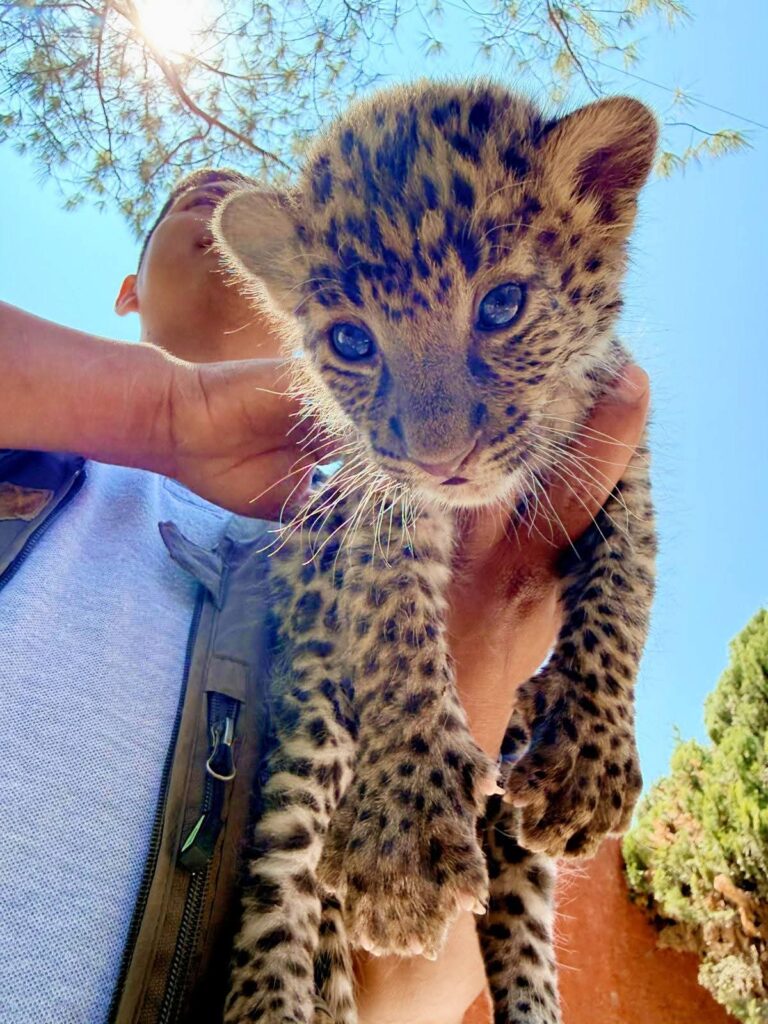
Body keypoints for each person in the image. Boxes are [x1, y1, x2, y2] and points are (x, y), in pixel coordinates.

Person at [0, 167, 650, 1024]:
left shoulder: (419, 528)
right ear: (128, 293)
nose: (217, 185)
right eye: (182, 197)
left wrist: (480, 653)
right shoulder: (28, 458)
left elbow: (403, 994)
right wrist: (170, 413)